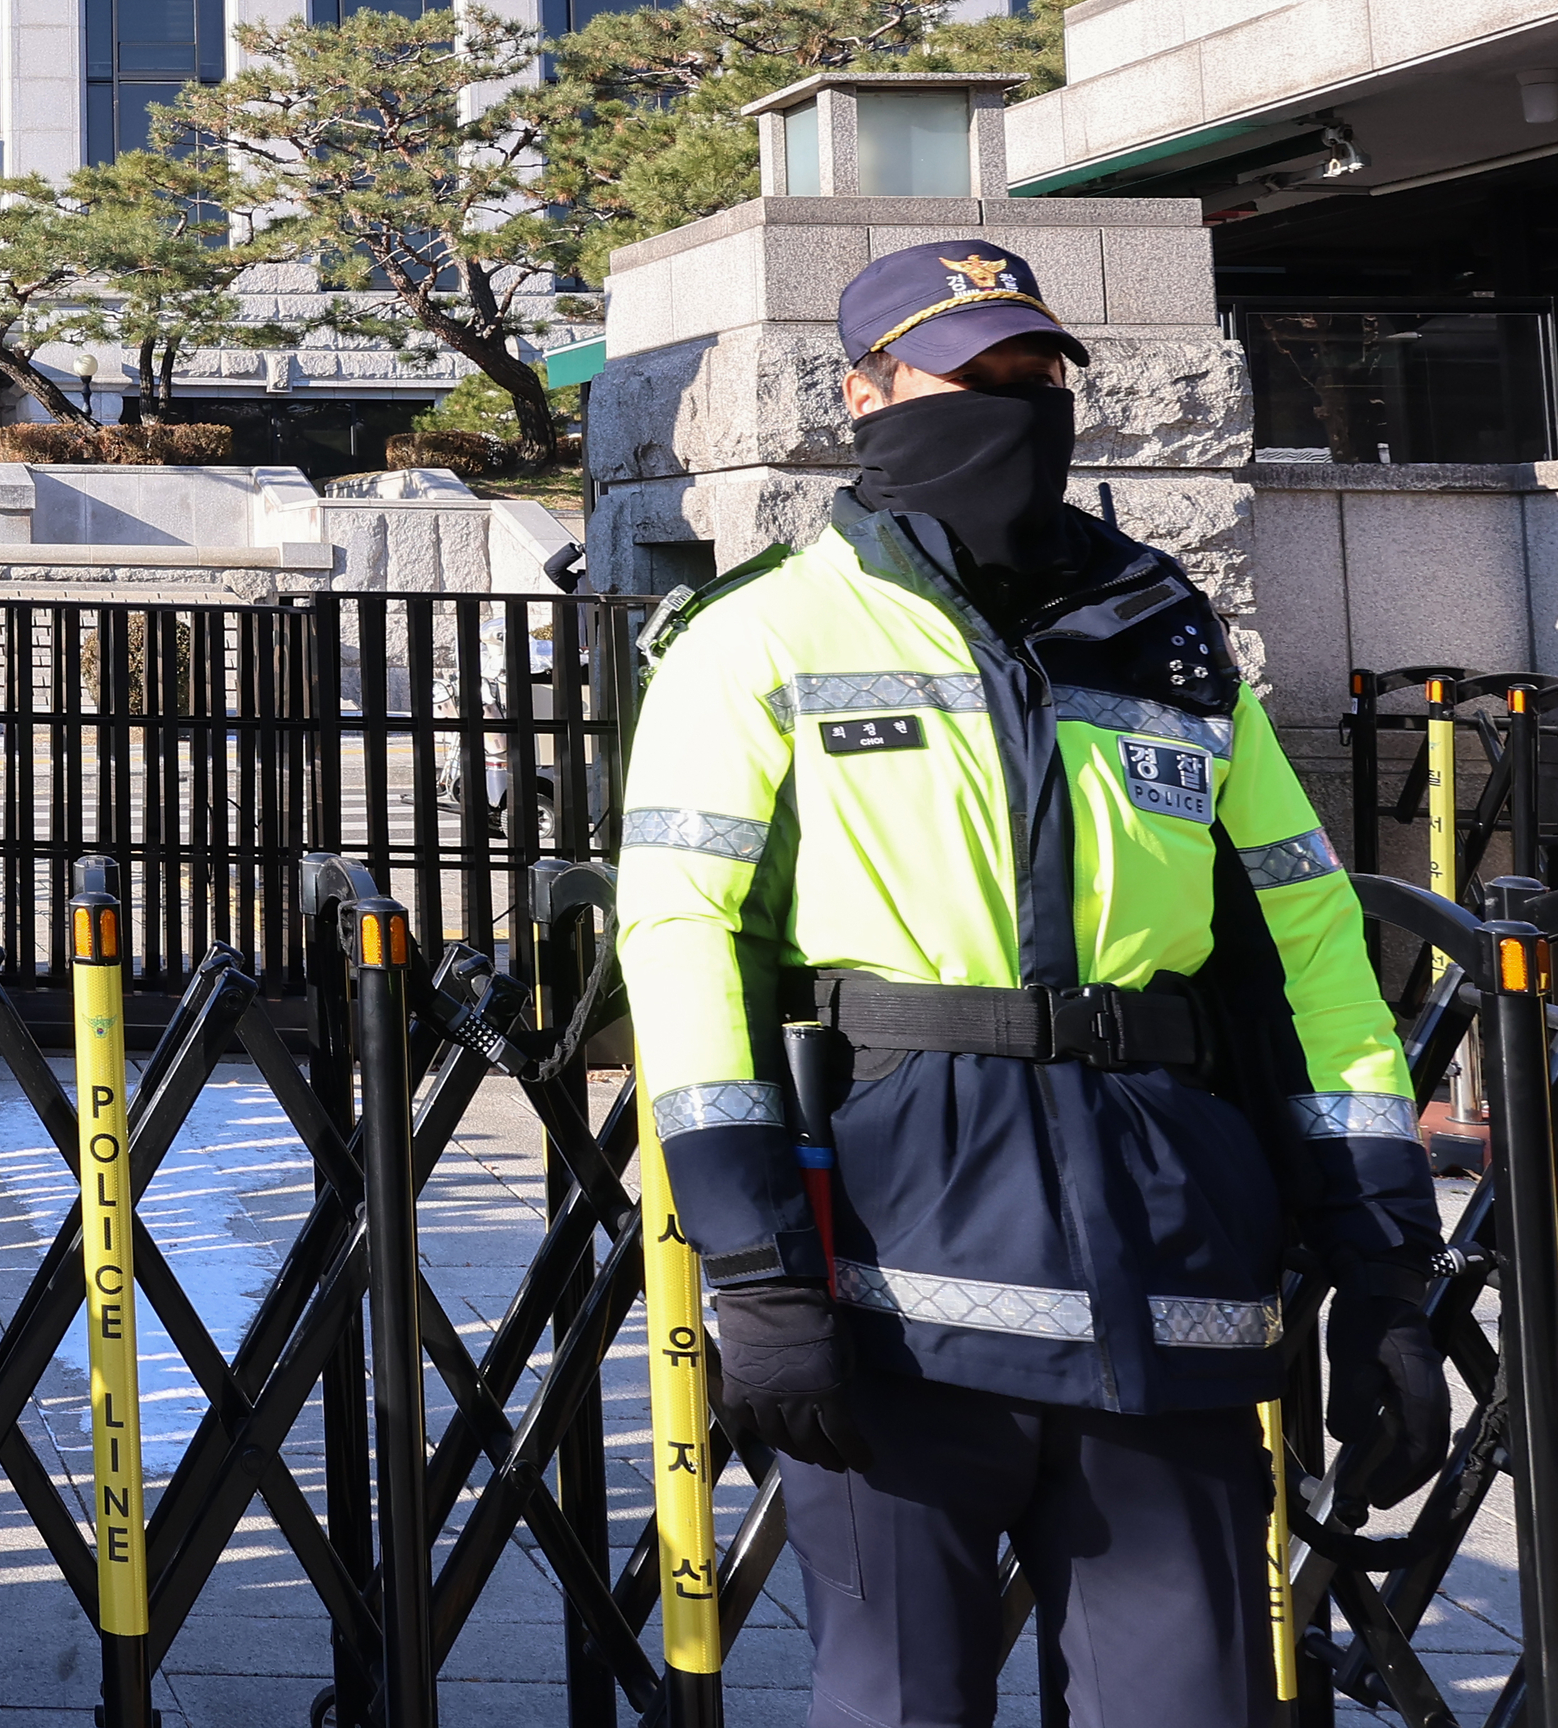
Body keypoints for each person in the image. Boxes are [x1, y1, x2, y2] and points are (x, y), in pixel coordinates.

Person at [616, 238, 1444, 1728]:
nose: (1010, 397)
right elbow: (681, 950)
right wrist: (754, 1272)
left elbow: (1313, 959)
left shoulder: (1169, 640)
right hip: (885, 1291)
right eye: (967, 368)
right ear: (864, 390)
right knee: (898, 1704)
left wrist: (1387, 1275)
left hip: (1172, 1286)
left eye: (1032, 369)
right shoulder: (756, 637)